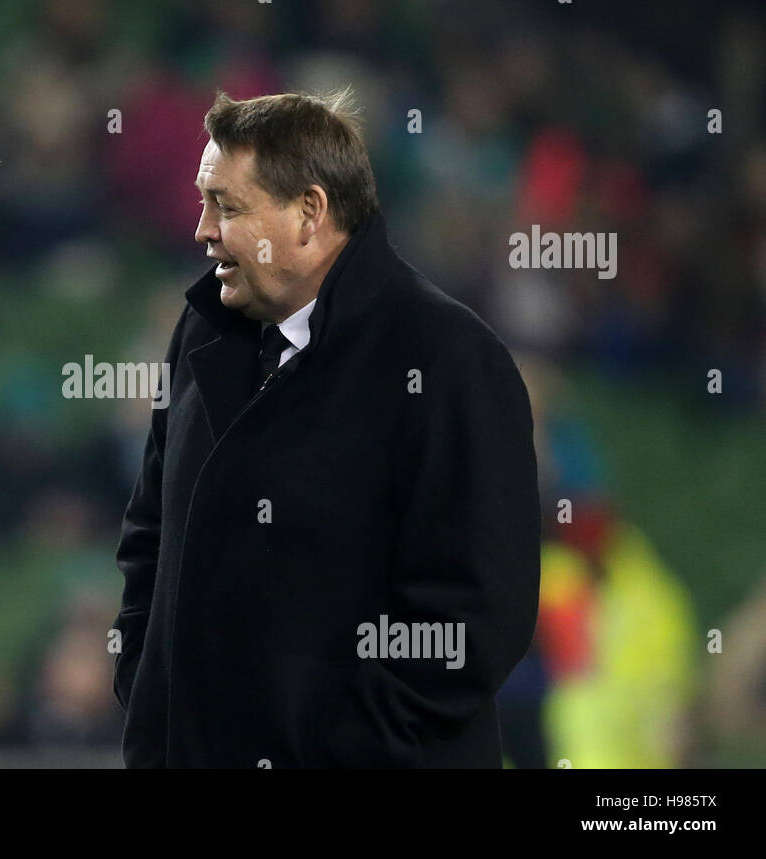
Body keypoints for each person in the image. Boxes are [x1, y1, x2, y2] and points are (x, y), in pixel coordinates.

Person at [111, 90, 541, 767]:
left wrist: (347, 748)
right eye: (203, 202)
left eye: (226, 205)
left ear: (310, 212)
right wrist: (147, 689)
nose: (203, 229)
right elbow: (149, 538)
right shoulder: (204, 332)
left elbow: (475, 614)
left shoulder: (447, 359)